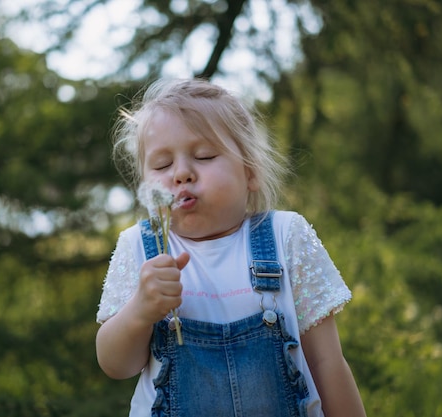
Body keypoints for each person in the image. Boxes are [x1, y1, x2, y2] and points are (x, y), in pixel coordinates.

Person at [96, 78, 366, 417]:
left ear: (249, 172)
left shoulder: (285, 237)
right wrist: (140, 310)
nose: (181, 174)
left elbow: (327, 361)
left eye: (204, 155)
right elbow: (116, 365)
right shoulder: (138, 247)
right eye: (162, 165)